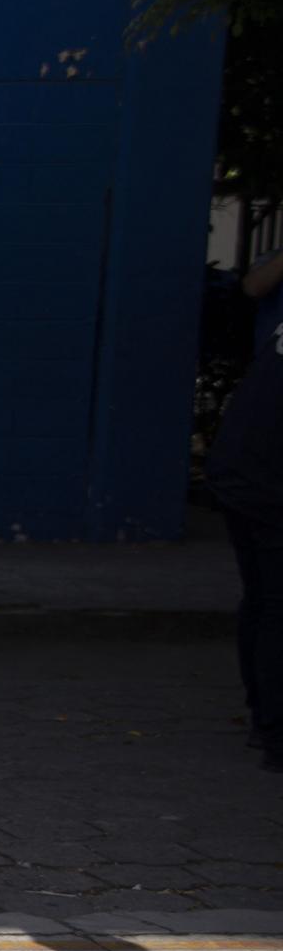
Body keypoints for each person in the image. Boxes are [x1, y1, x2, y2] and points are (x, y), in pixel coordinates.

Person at [206, 330, 283, 771]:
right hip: (268, 482)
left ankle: (265, 717)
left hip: (242, 473)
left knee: (263, 599)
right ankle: (275, 731)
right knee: (276, 605)